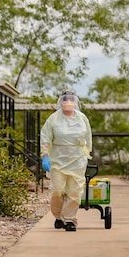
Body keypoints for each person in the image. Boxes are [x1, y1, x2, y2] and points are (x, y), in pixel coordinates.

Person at [40, 90, 93, 231]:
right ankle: (58, 216)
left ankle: (69, 219)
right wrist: (45, 155)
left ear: (75, 102)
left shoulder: (82, 118)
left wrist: (87, 152)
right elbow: (45, 137)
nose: (68, 102)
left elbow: (88, 137)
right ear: (60, 102)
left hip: (77, 159)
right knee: (58, 190)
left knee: (74, 191)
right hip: (58, 158)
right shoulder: (53, 119)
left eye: (71, 99)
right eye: (65, 99)